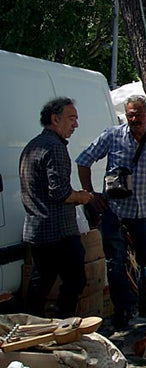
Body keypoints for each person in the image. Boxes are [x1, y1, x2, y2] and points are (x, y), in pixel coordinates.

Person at [76, 95, 146, 328]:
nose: (134, 119)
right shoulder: (113, 135)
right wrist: (91, 194)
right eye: (130, 115)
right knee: (115, 263)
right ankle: (123, 311)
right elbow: (83, 160)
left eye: (138, 114)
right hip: (115, 210)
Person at [21, 98, 95, 318]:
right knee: (75, 279)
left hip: (37, 229)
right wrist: (82, 197)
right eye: (71, 119)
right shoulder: (54, 147)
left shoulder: (33, 145)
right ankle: (63, 325)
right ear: (55, 119)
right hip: (58, 232)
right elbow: (60, 192)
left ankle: (32, 325)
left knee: (42, 282)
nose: (76, 125)